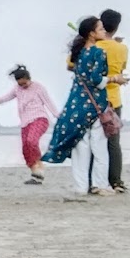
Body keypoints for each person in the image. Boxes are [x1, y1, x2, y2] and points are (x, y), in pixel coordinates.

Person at [41, 16, 116, 196]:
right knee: (99, 148)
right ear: (91, 33)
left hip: (76, 105)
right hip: (95, 105)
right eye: (100, 28)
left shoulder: (78, 52)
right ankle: (101, 185)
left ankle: (81, 187)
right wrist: (115, 79)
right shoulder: (98, 53)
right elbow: (97, 80)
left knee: (80, 149)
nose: (104, 31)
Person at [0, 65, 58, 183]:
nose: (23, 86)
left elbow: (49, 102)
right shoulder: (17, 89)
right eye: (20, 84)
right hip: (25, 122)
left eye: (24, 83)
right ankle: (35, 175)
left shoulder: (38, 87)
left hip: (39, 119)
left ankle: (39, 166)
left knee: (31, 140)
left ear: (28, 78)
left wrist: (59, 117)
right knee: (26, 148)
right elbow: (4, 98)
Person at [97, 8, 129, 192]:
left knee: (92, 142)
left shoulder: (92, 46)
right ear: (116, 27)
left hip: (92, 99)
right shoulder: (122, 48)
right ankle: (116, 181)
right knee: (113, 141)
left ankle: (94, 180)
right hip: (113, 99)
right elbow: (122, 68)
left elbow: (71, 64)